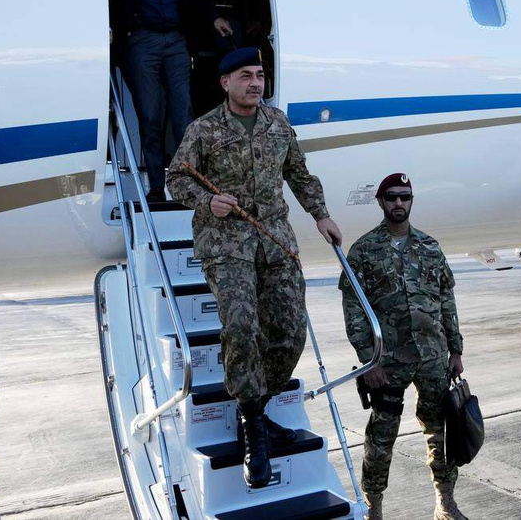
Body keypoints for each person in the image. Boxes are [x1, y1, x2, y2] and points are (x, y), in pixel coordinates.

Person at [166, 47, 342, 489]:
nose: (255, 83)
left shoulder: (278, 123)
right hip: (226, 242)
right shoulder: (204, 129)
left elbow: (299, 174)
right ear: (225, 82)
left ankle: (255, 409)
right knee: (242, 328)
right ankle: (253, 429)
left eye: (260, 75)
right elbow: (176, 177)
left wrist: (320, 214)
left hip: (276, 239)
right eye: (245, 75)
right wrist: (208, 200)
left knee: (289, 331)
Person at [340, 173, 467, 520]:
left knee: (440, 432)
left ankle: (445, 500)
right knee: (380, 439)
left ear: (411, 201)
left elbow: (446, 299)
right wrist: (369, 361)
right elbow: (354, 309)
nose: (399, 203)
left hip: (432, 358)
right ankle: (373, 507)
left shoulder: (429, 246)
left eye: (405, 197)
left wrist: (455, 350)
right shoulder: (364, 250)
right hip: (388, 363)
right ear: (380, 202)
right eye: (392, 197)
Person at [108, 0, 233, 201]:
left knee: (183, 115)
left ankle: (187, 187)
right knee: (150, 116)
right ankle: (155, 188)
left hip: (176, 40)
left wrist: (213, 17)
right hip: (141, 38)